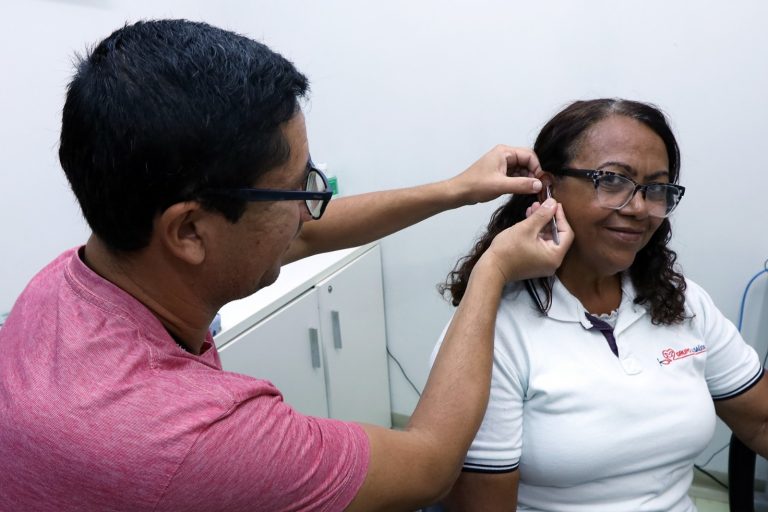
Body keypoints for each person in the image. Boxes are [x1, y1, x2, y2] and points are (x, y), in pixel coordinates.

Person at [0, 19, 573, 512]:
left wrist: (455, 190)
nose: (309, 210)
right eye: (296, 189)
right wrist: (492, 271)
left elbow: (293, 236)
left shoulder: (66, 285)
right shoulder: (194, 439)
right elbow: (428, 467)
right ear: (189, 230)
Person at [434, 98, 768, 511]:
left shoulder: (681, 300)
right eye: (612, 181)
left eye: (657, 189)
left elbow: (761, 421)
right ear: (550, 186)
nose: (640, 208)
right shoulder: (494, 329)